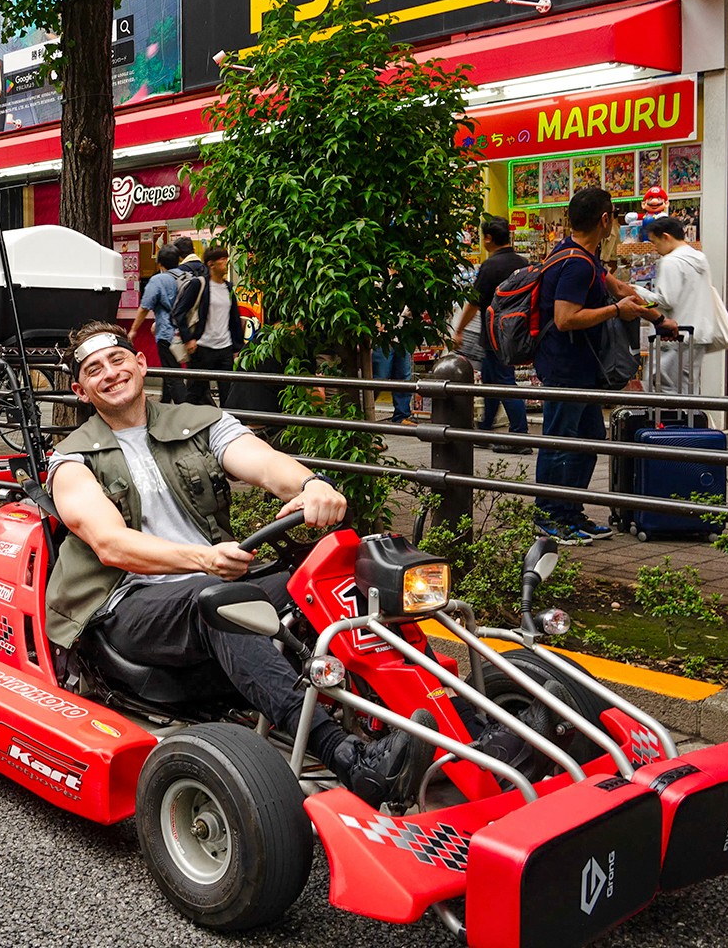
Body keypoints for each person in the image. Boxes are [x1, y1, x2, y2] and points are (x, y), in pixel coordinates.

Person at [44, 321, 438, 806]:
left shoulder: (200, 422)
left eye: (118, 359)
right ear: (81, 391)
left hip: (211, 580)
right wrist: (204, 559)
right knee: (220, 601)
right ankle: (350, 759)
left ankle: (459, 725)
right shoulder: (71, 460)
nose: (110, 373)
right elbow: (112, 544)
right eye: (94, 370)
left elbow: (264, 462)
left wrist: (310, 485)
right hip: (125, 602)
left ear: (141, 363)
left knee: (341, 579)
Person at [533, 188, 676, 545]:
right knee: (561, 441)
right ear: (604, 219)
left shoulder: (584, 257)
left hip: (582, 369)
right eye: (612, 213)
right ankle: (549, 516)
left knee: (589, 439)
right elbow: (565, 318)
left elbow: (621, 289)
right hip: (565, 368)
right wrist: (615, 311)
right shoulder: (576, 264)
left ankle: (570, 512)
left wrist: (657, 318)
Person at [454, 221, 532, 450]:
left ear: (488, 238)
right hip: (516, 333)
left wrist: (459, 329)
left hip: (495, 334)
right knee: (490, 382)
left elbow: (474, 302)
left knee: (504, 383)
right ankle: (486, 428)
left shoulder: (490, 266)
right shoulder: (523, 263)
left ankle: (519, 436)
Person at [645, 216, 728, 392]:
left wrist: (638, 293)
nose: (655, 248)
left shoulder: (671, 261)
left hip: (675, 335)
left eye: (654, 242)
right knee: (688, 389)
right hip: (698, 334)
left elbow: (666, 299)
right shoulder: (699, 258)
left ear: (665, 237)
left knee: (665, 389)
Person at [174, 246, 244, 407]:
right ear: (211, 264)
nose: (226, 263)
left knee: (228, 394)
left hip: (225, 348)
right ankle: (187, 420)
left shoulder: (229, 287)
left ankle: (225, 422)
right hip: (202, 348)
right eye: (222, 259)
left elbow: (234, 319)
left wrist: (237, 348)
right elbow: (179, 312)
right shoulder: (199, 284)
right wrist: (188, 339)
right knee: (195, 393)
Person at [128, 244, 186, 403]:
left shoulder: (158, 280)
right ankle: (164, 403)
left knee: (173, 376)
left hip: (167, 333)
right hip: (186, 333)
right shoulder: (186, 276)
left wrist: (133, 330)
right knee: (171, 371)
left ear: (160, 263)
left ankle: (183, 409)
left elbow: (144, 307)